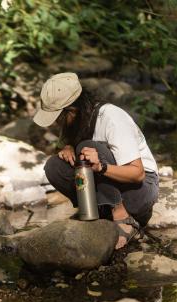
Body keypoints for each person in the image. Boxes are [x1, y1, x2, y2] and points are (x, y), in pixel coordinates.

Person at [33, 72, 159, 249]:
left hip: (139, 190)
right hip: (109, 190)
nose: (56, 123)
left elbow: (138, 174)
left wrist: (101, 167)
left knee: (89, 147)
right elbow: (70, 148)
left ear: (72, 110)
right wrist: (68, 148)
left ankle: (123, 218)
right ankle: (93, 211)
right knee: (54, 165)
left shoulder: (112, 118)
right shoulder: (75, 121)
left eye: (59, 117)